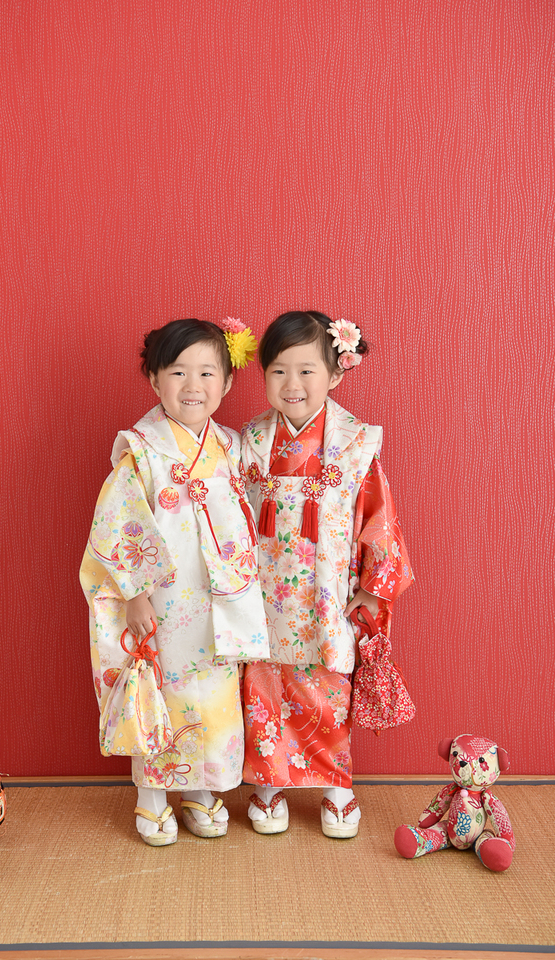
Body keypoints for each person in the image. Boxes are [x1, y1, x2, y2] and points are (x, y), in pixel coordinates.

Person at [80, 318, 269, 846]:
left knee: (214, 695)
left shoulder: (230, 445)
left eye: (207, 373)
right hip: (163, 599)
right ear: (154, 379)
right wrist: (135, 593)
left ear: (226, 382)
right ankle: (153, 796)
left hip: (219, 603)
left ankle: (202, 790)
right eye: (178, 372)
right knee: (159, 692)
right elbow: (118, 520)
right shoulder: (141, 449)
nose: (193, 385)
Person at [240, 310, 413, 838]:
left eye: (306, 370)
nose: (291, 384)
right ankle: (268, 783)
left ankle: (337, 784)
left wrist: (373, 589)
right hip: (263, 593)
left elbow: (380, 518)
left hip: (327, 592)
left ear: (336, 373)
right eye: (278, 371)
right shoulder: (248, 441)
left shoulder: (356, 444)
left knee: (327, 688)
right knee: (264, 685)